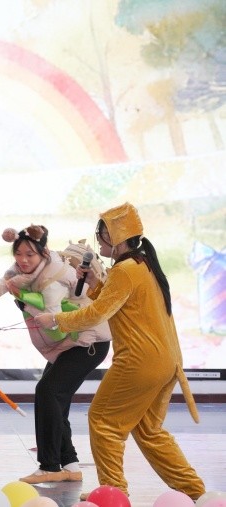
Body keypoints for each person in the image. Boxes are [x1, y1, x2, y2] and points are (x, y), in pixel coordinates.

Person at [34, 203, 206, 500]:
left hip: (139, 361)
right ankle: (197, 494)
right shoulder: (142, 264)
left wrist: (56, 320)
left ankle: (114, 493)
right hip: (165, 362)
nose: (99, 241)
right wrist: (95, 282)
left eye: (102, 234)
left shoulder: (124, 270)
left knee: (103, 421)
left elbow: (96, 314)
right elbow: (121, 303)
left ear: (118, 236)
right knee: (150, 432)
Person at [0, 225, 111, 484]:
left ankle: (50, 465)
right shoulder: (20, 272)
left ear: (43, 253)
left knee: (47, 392)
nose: (23, 260)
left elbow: (54, 325)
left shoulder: (53, 279)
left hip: (88, 342)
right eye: (18, 253)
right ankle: (70, 465)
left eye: (29, 254)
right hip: (69, 343)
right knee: (54, 398)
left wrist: (25, 303)